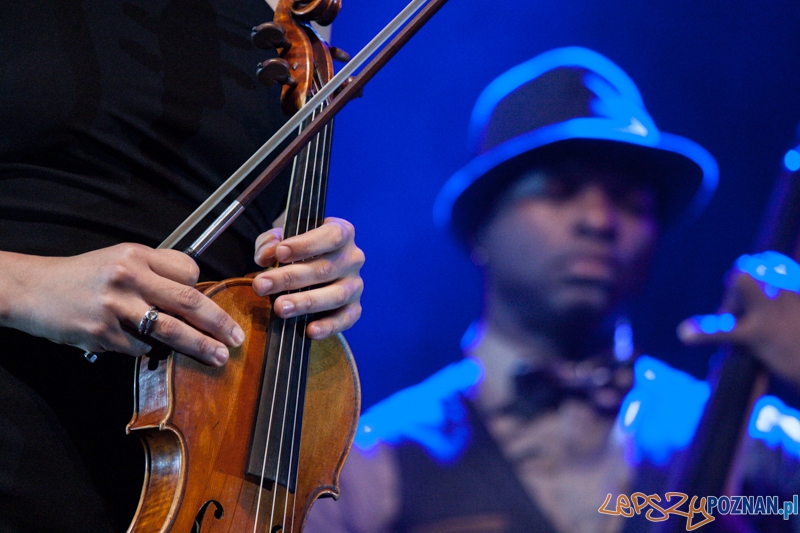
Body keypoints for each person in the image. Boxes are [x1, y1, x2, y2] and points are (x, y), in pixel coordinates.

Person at [304, 47, 800, 533]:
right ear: (482, 228)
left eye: (628, 200)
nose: (599, 220)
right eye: (560, 191)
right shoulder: (371, 464)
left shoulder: (754, 443)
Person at [0, 1, 363, 532]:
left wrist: (318, 273)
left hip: (201, 475)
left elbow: (267, 233)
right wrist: (26, 287)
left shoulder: (289, 11)